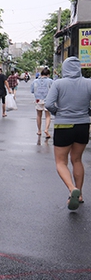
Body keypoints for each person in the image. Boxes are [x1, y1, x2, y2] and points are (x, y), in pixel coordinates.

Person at [45, 56, 91, 210]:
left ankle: (72, 189)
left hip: (63, 125)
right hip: (83, 125)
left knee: (60, 162)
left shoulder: (58, 83)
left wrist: (60, 113)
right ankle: (81, 194)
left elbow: (49, 104)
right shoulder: (89, 83)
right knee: (77, 160)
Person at [31, 68, 54, 138]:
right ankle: (46, 129)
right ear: (48, 75)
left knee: (38, 115)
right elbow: (53, 90)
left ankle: (39, 130)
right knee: (47, 116)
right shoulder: (50, 81)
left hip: (38, 100)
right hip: (47, 100)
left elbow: (32, 91)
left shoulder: (35, 81)